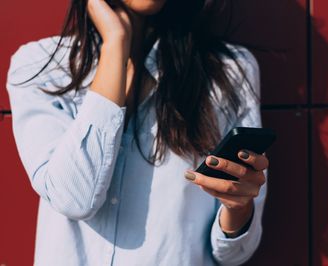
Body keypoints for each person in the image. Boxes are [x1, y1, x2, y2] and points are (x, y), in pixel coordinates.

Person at [6, 0, 269, 265]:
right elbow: (74, 199)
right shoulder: (41, 68)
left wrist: (239, 206)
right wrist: (115, 46)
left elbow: (234, 255)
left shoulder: (228, 71)